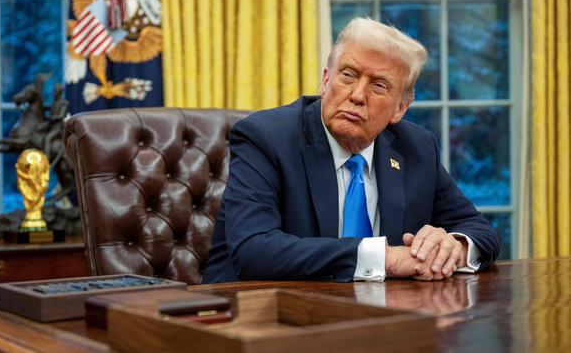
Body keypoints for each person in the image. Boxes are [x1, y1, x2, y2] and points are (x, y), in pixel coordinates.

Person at [202, 17, 500, 283]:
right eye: (348, 75)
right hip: (255, 319)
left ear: (400, 108)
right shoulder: (265, 138)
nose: (357, 95)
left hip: (378, 320)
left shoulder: (417, 147)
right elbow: (254, 250)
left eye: (379, 86)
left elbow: (480, 230)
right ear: (325, 79)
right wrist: (388, 258)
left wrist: (453, 247)